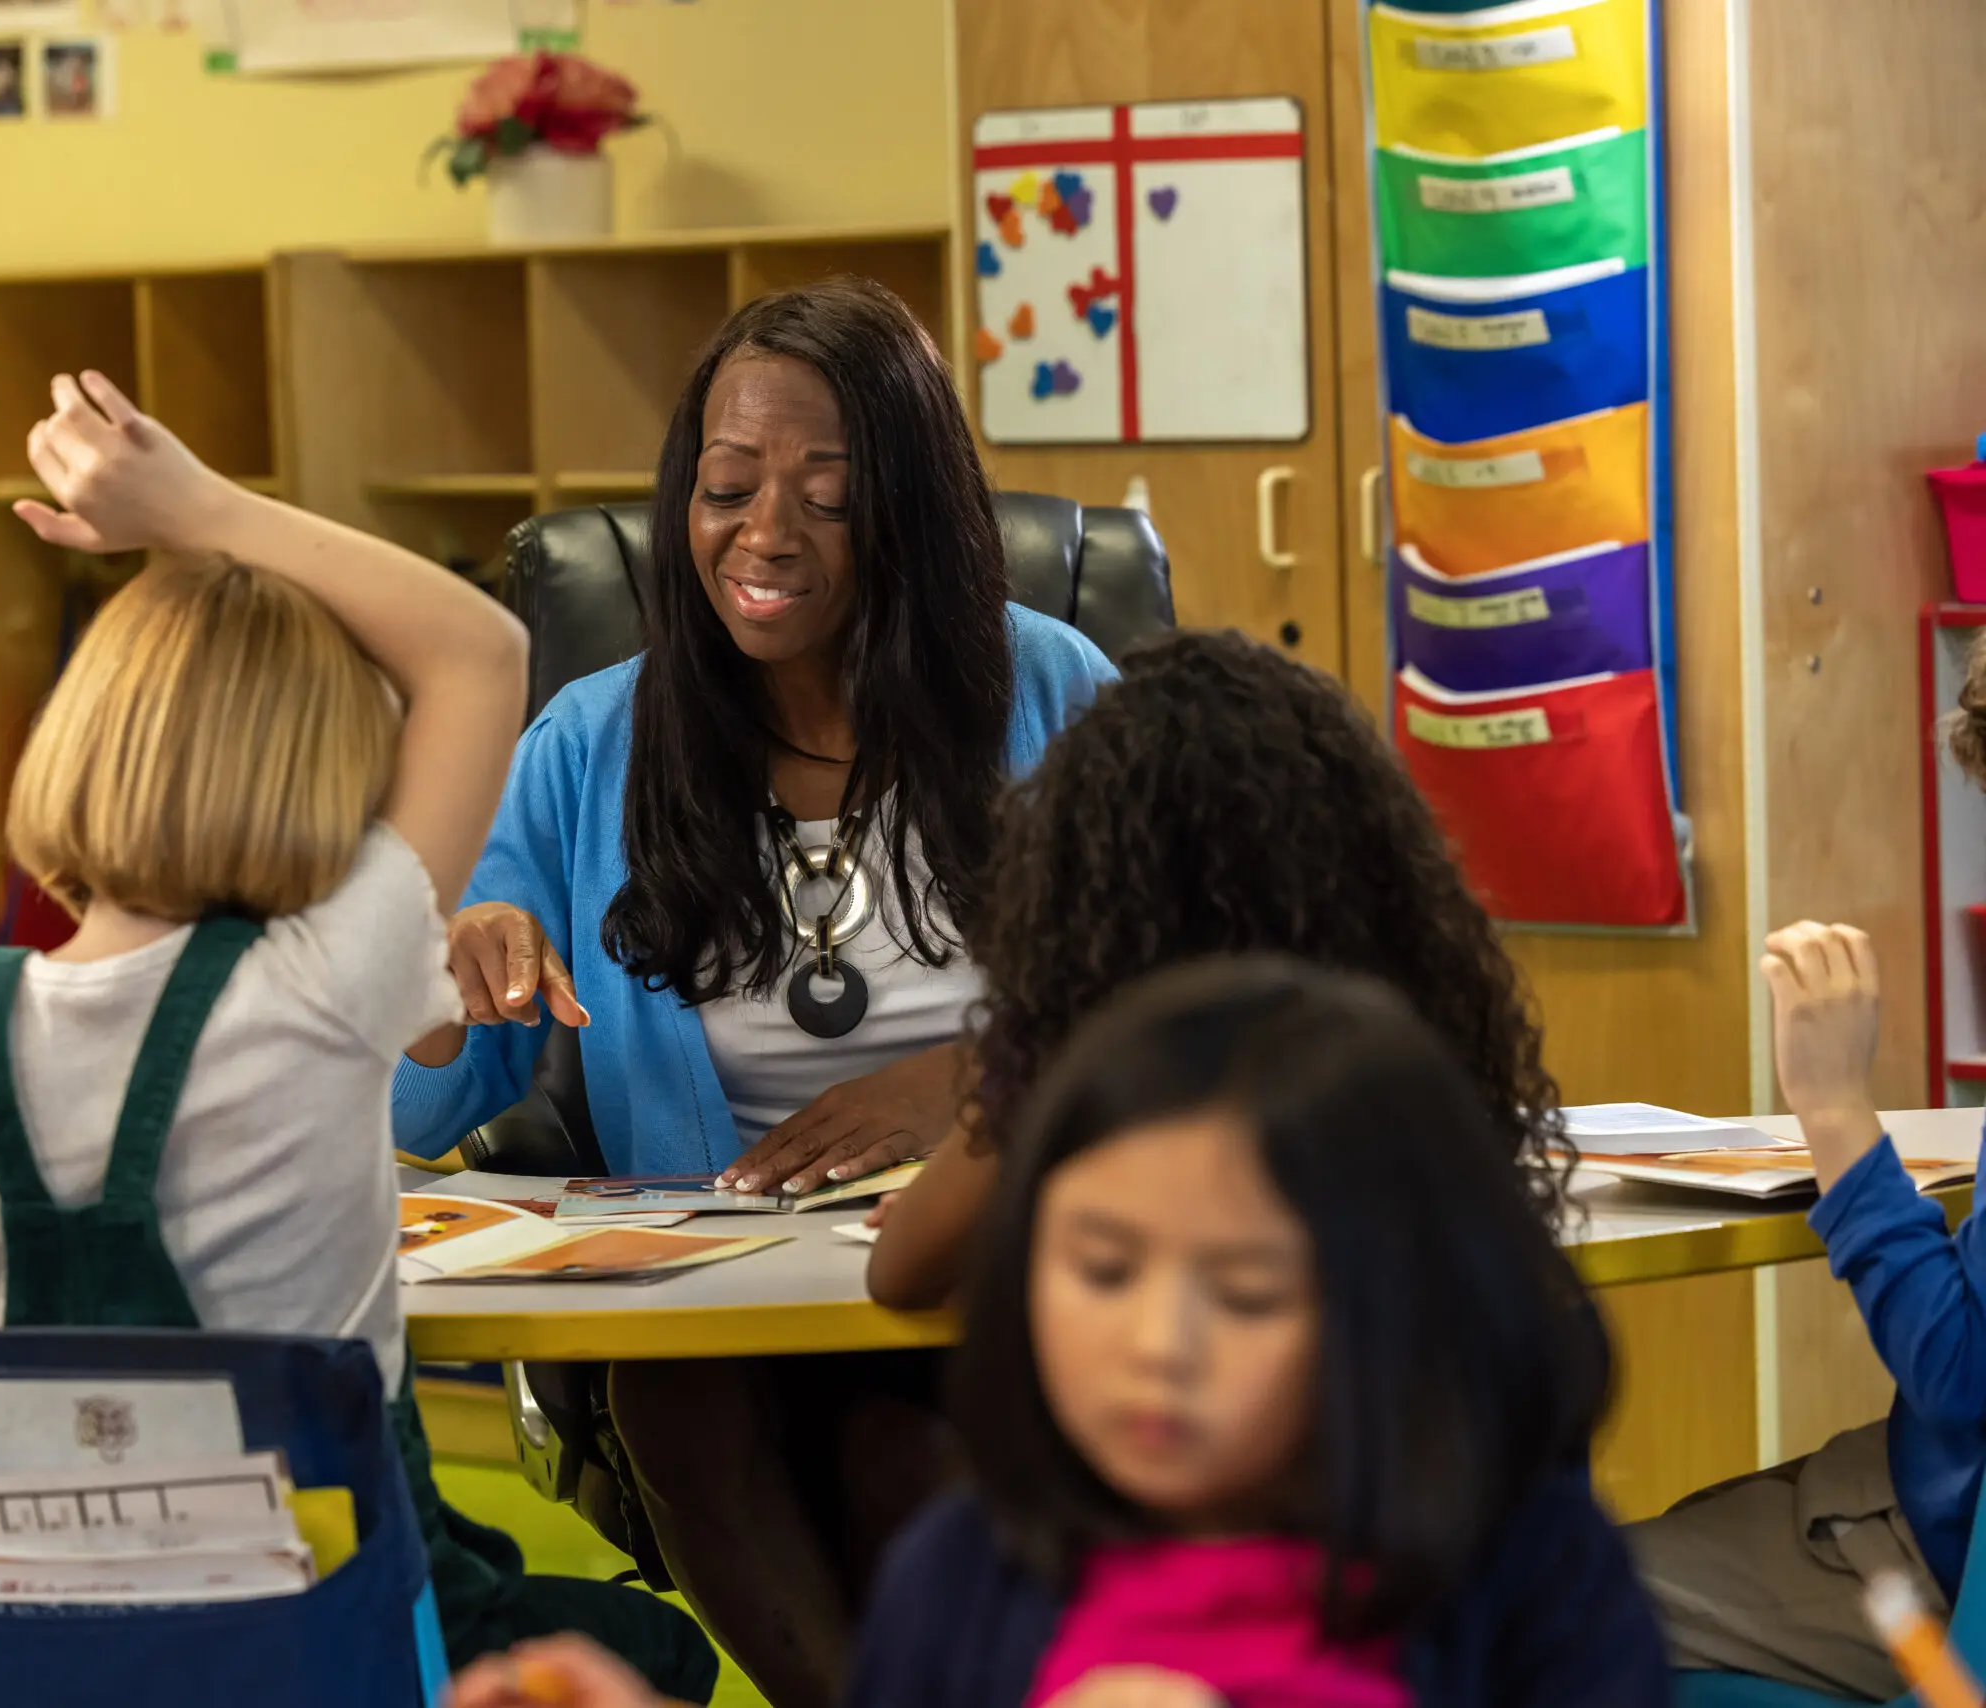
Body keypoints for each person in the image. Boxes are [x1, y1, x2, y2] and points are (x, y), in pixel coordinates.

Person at [0, 372, 713, 1700]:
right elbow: (476, 650)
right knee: (652, 1650)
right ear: (331, 780)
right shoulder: (328, 981)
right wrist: (191, 506)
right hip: (316, 1649)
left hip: (33, 1661)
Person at [391, 279, 1115, 1708]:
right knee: (682, 1394)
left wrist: (977, 1083)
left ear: (907, 510)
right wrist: (454, 970)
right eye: (726, 486)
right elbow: (427, 1097)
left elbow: (1186, 1009)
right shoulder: (593, 742)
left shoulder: (1054, 692)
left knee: (896, 1452)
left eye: (826, 495)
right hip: (719, 1305)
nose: (762, 532)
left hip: (990, 1276)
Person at [449, 960, 1670, 1708]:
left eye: (1243, 1292)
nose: (1157, 1343)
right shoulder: (973, 1568)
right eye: (1099, 1269)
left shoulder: (1520, 1564)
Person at [867, 628, 1570, 1311]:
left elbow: (899, 1273)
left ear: (1089, 870)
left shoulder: (1084, 1047)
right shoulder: (1409, 1028)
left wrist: (1005, 1192)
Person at [1632, 921, 1975, 1695]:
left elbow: (1960, 1372)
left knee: (1521, 1601)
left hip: (1940, 1547)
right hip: (1921, 1488)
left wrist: (1831, 1104)